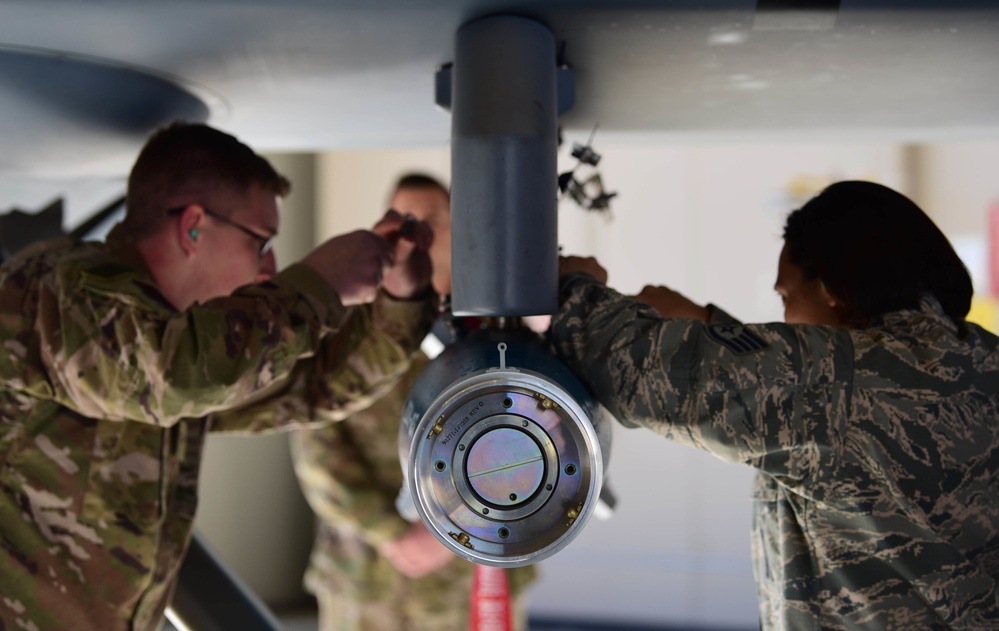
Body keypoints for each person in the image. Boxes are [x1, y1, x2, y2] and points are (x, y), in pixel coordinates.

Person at [0, 122, 437, 631]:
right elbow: (171, 377)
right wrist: (317, 284)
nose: (270, 266)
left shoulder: (189, 340)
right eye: (260, 241)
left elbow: (312, 385)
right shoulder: (61, 290)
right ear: (193, 226)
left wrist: (402, 295)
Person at [548, 181, 999, 630]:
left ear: (830, 288)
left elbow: (640, 371)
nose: (783, 316)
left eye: (786, 295)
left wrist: (575, 285)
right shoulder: (971, 359)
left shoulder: (850, 385)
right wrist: (710, 325)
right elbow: (807, 396)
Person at [291, 173, 537, 631]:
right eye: (406, 221)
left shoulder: (500, 327)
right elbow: (315, 445)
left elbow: (535, 437)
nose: (421, 232)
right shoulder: (349, 327)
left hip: (473, 576)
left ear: (458, 229)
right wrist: (390, 531)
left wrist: (457, 528)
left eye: (434, 219)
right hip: (370, 578)